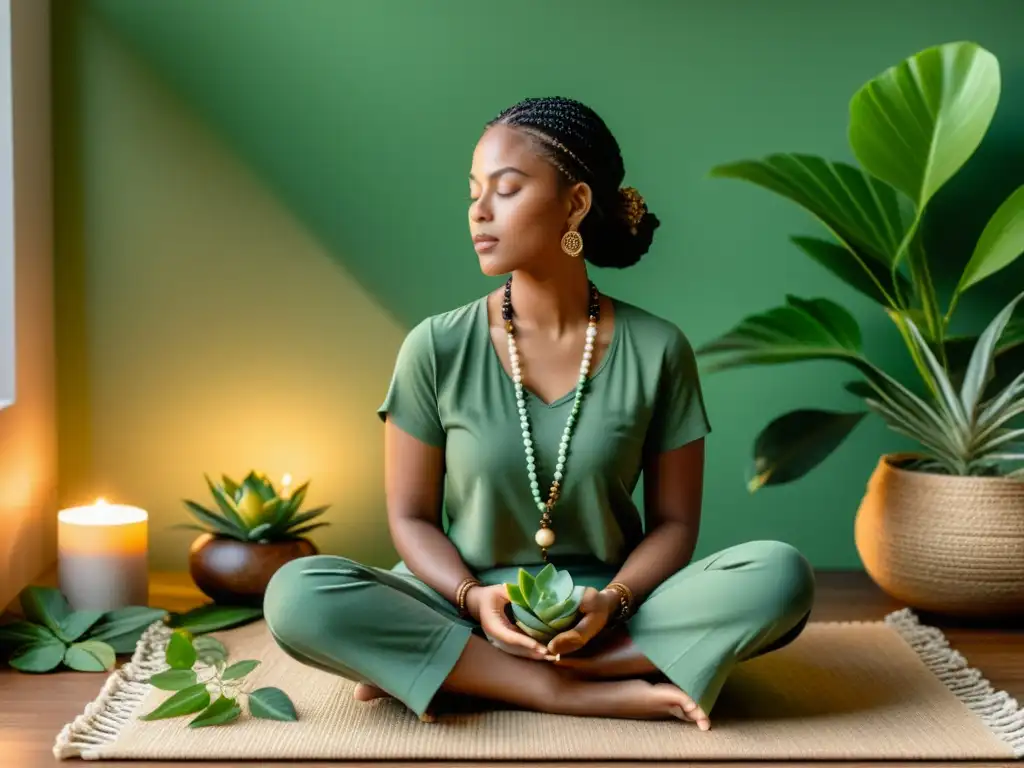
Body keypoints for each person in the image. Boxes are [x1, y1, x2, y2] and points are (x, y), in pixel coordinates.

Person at [263, 96, 815, 731]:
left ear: (575, 204)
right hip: (462, 602)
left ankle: (464, 671)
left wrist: (610, 600)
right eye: (473, 191)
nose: (478, 210)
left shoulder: (659, 349)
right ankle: (570, 687)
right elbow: (410, 518)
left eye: (507, 189)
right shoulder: (436, 346)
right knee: (298, 594)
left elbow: (674, 525)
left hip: (615, 609)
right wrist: (474, 599)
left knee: (779, 577)